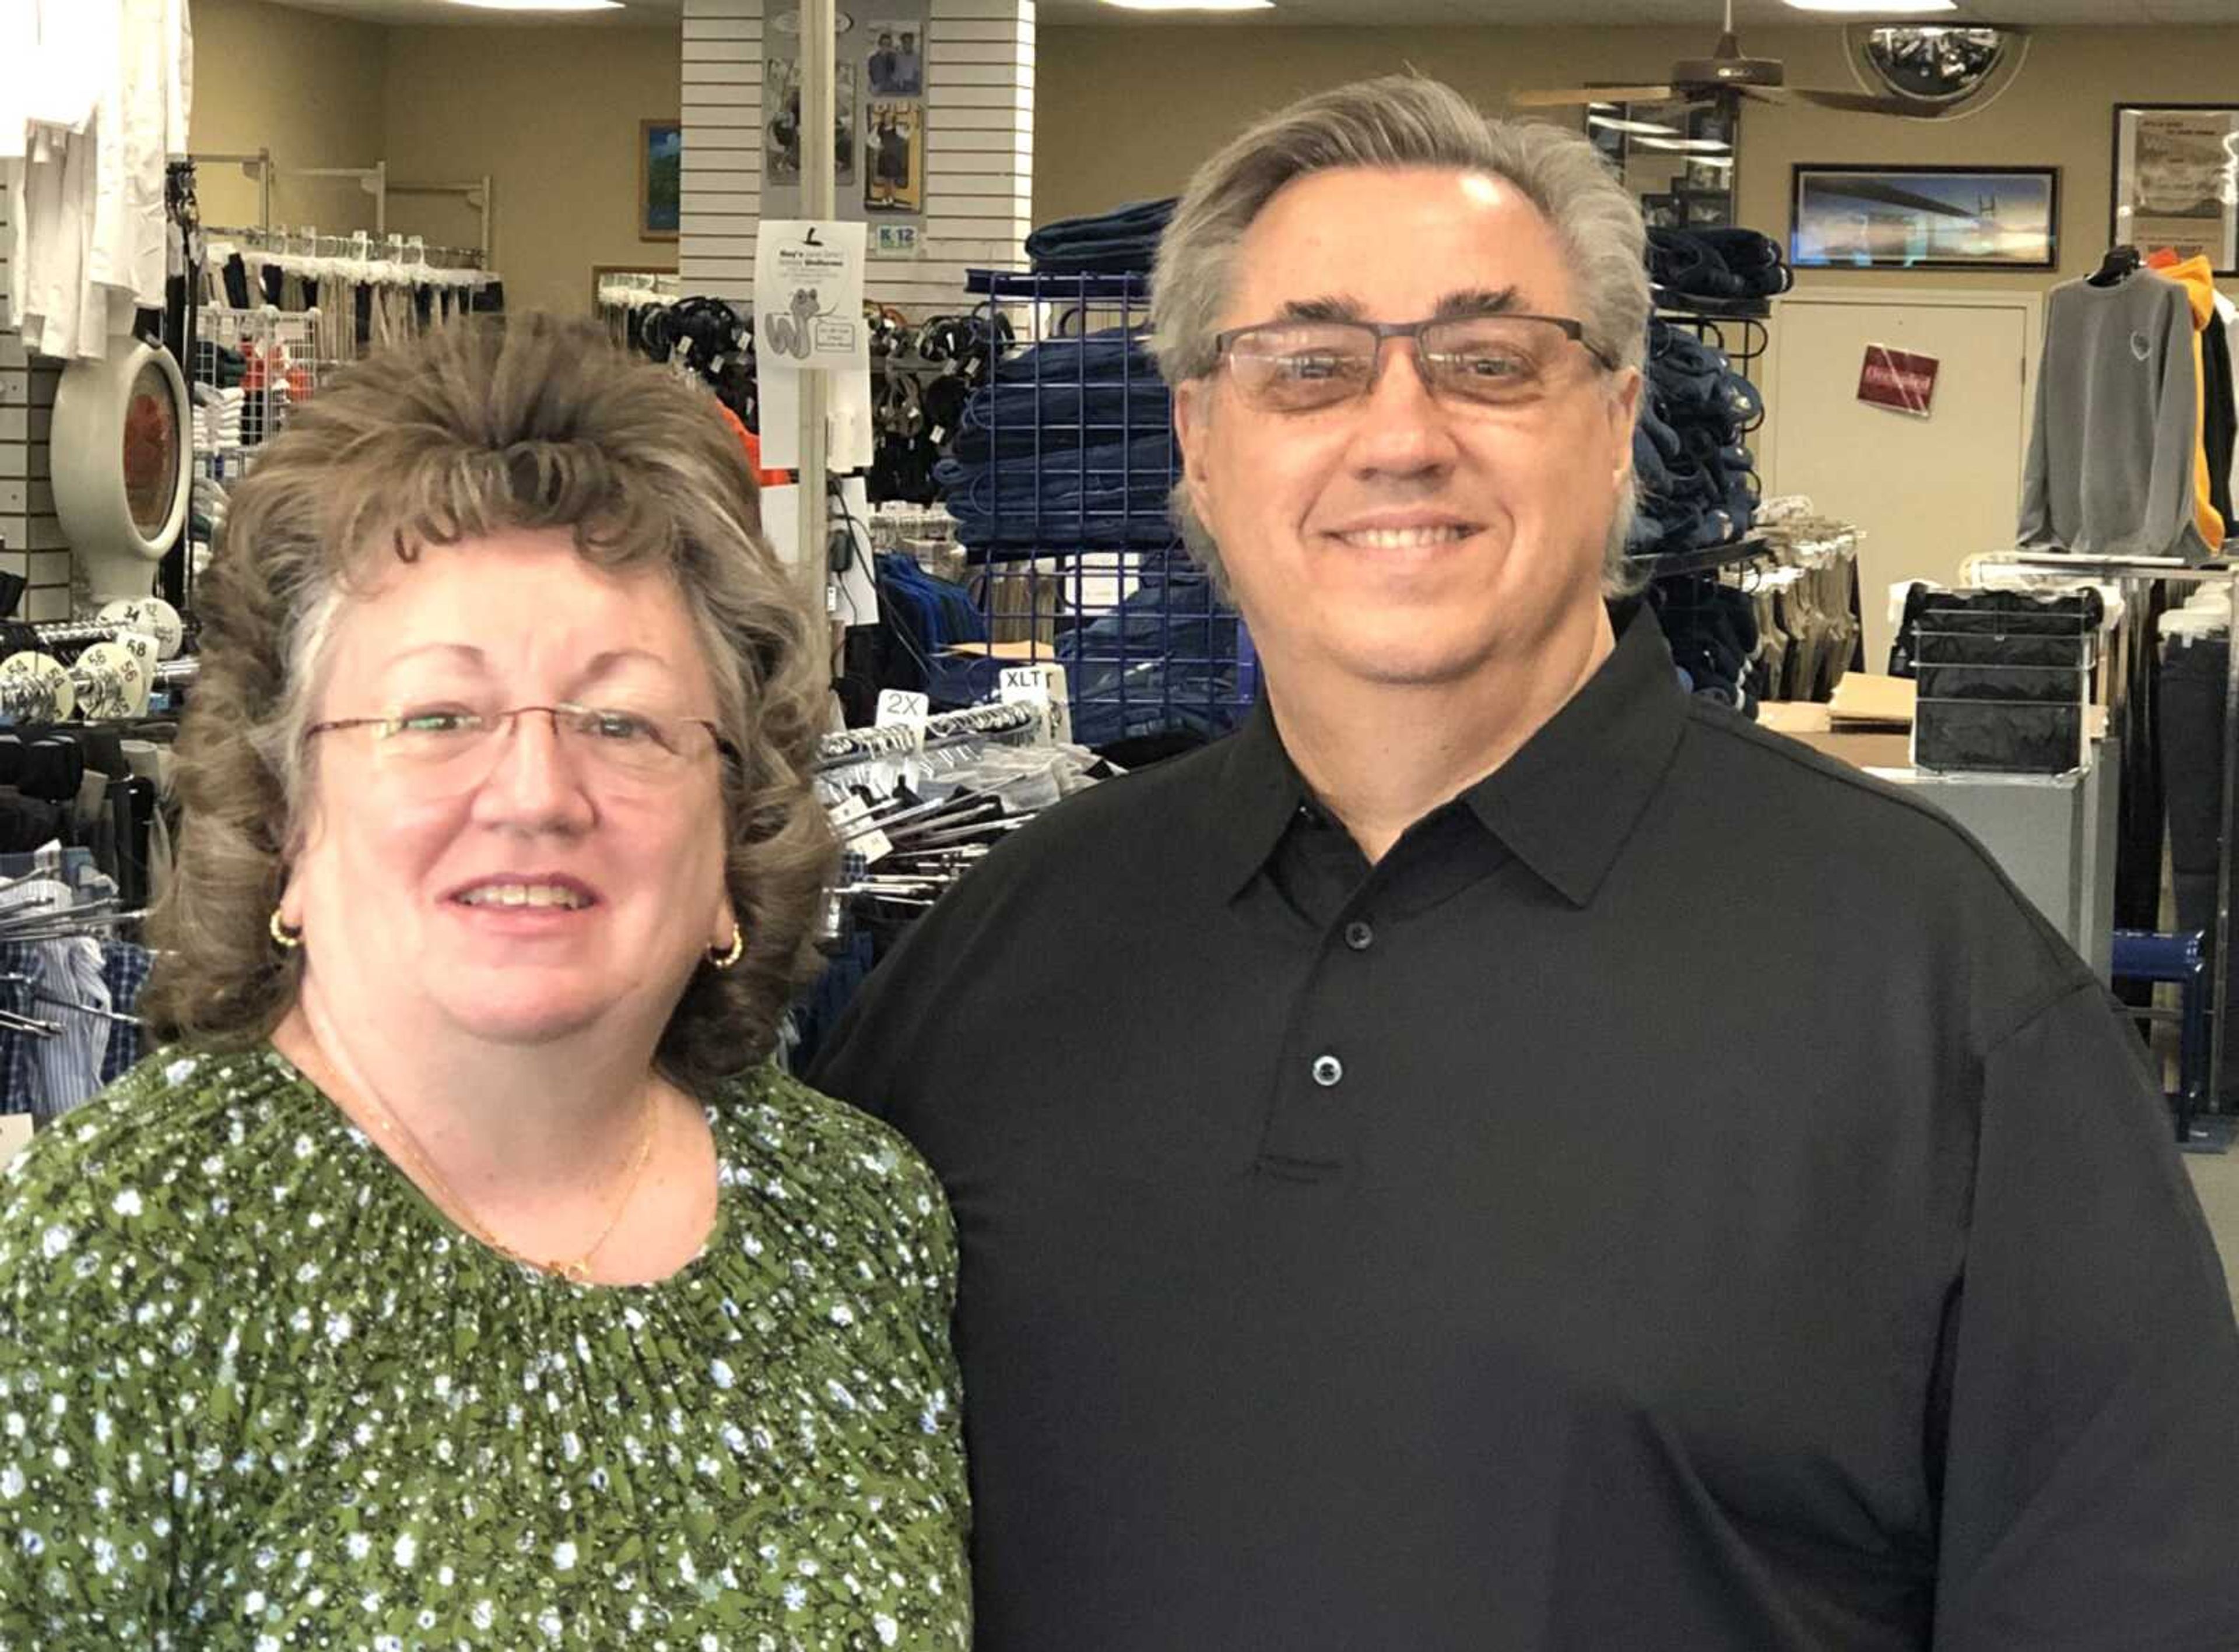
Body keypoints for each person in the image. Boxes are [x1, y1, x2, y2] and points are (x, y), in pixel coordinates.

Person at [810, 75, 2239, 1650]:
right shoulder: (1003, 959)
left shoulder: (1940, 995)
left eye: (1489, 362)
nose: (1402, 435)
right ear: (1204, 444)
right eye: (1311, 369)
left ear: (1619, 425)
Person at [0, 317, 971, 1646]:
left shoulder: (864, 1223)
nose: (533, 793)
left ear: (734, 826)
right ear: (291, 817)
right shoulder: (116, 1249)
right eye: (436, 717)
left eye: (621, 721)